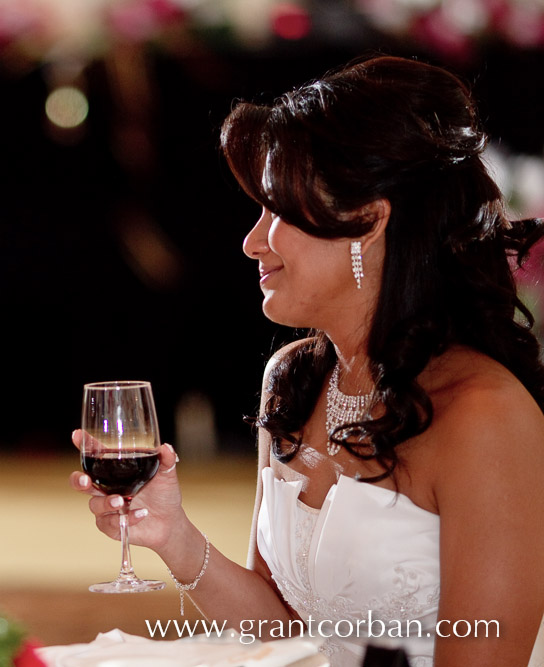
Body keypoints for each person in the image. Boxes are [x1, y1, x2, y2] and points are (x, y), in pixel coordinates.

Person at [70, 55, 544, 666]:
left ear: (368, 221)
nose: (252, 241)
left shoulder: (484, 416)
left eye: (279, 212)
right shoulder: (295, 379)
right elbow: (287, 636)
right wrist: (175, 537)